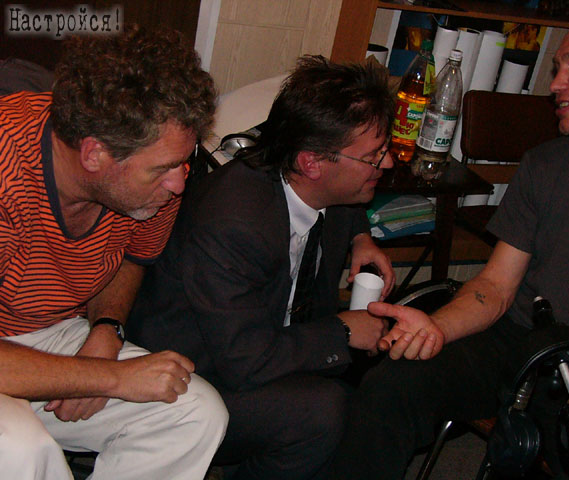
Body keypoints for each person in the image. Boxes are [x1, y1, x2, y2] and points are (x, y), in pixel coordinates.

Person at [330, 8, 569, 480]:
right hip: (518, 342)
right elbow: (496, 286)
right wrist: (435, 328)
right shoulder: (547, 164)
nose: (556, 83)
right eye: (556, 67)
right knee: (392, 385)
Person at [127, 55, 396, 480]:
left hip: (260, 346)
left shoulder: (312, 181)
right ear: (312, 163)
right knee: (324, 412)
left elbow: (345, 197)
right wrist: (343, 330)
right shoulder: (233, 223)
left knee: (379, 386)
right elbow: (246, 360)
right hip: (195, 379)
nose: (387, 163)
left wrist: (362, 235)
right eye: (374, 156)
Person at [0, 26, 228, 480]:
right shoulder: (8, 171)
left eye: (183, 163)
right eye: (163, 169)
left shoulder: (153, 181)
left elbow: (132, 255)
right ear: (94, 154)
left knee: (196, 413)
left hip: (45, 330)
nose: (179, 183)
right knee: (22, 449)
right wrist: (110, 377)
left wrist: (107, 329)